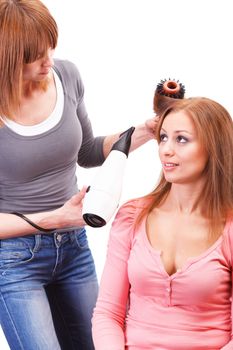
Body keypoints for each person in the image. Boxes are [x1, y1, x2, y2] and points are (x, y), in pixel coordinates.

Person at [0, 1, 157, 349]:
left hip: (73, 248)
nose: (49, 62)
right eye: (35, 56)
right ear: (7, 57)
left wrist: (143, 132)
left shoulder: (66, 76)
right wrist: (54, 217)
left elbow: (87, 152)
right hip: (13, 261)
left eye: (50, 48)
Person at [92, 96, 233, 349]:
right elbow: (107, 314)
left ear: (214, 147)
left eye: (181, 139)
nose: (166, 149)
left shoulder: (229, 229)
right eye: (164, 137)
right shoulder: (133, 216)